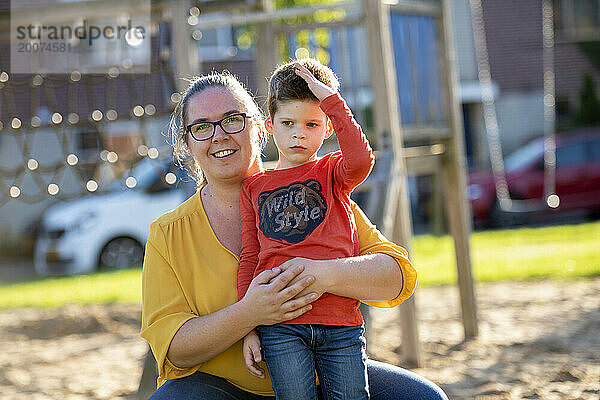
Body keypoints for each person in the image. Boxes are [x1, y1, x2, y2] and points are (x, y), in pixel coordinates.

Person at [140, 70, 449, 400]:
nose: (219, 135)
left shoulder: (316, 193)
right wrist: (250, 313)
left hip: (323, 373)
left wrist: (323, 274)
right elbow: (175, 349)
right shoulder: (167, 235)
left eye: (233, 119)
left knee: (423, 397)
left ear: (261, 129)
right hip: (226, 390)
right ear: (188, 144)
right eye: (201, 127)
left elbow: (395, 278)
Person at [237, 59, 375, 400]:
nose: (299, 133)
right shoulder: (253, 188)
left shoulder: (333, 174)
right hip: (280, 326)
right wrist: (247, 325)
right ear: (270, 126)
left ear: (328, 128)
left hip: (340, 322)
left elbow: (361, 160)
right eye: (288, 123)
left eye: (312, 124)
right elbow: (250, 257)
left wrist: (332, 101)